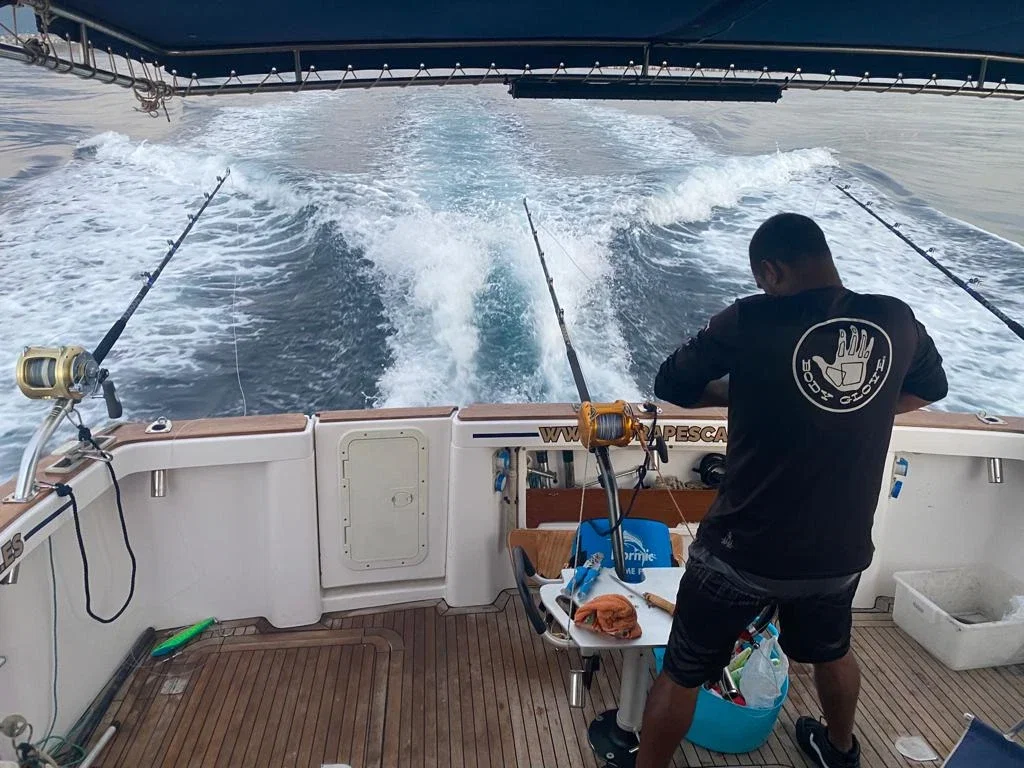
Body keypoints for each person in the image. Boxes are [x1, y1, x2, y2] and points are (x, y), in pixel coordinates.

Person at [637, 212, 948, 768]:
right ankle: (840, 750)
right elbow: (930, 388)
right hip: (838, 553)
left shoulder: (749, 318)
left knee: (682, 671)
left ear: (770, 271)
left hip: (741, 551)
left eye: (762, 280)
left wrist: (747, 392)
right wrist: (859, 402)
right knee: (833, 652)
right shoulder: (895, 319)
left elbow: (672, 384)